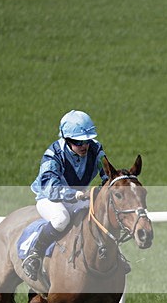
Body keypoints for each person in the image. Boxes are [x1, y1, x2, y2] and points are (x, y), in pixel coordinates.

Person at [23, 110, 109, 281]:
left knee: (100, 216)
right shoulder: (53, 155)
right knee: (61, 219)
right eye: (78, 142)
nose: (84, 146)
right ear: (66, 139)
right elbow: (51, 188)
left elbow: (107, 172)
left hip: (78, 197)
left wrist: (109, 186)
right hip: (49, 198)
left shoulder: (96, 148)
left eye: (86, 141)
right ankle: (34, 254)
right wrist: (76, 195)